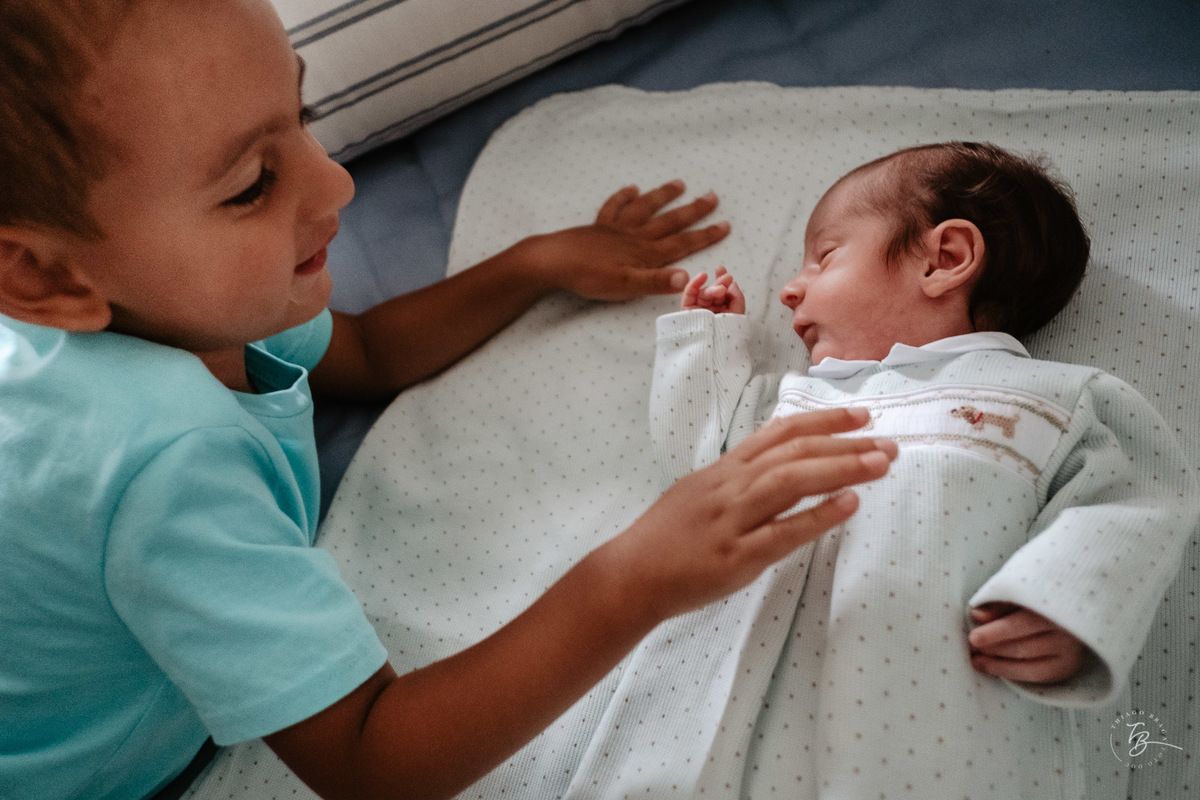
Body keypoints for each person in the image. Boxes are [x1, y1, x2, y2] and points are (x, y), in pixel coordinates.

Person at [0, 3, 902, 800]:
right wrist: (634, 576)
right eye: (252, 185)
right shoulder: (163, 458)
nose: (335, 183)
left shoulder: (170, 296)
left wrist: (530, 265)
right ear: (39, 274)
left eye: (302, 117)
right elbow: (371, 759)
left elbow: (368, 349)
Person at [637, 141, 1198, 797]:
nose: (790, 288)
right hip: (744, 711)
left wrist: (1067, 607)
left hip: (926, 707)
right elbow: (704, 467)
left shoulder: (1050, 398)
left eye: (824, 257)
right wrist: (705, 350)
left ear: (945, 259)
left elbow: (1130, 504)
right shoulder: (797, 401)